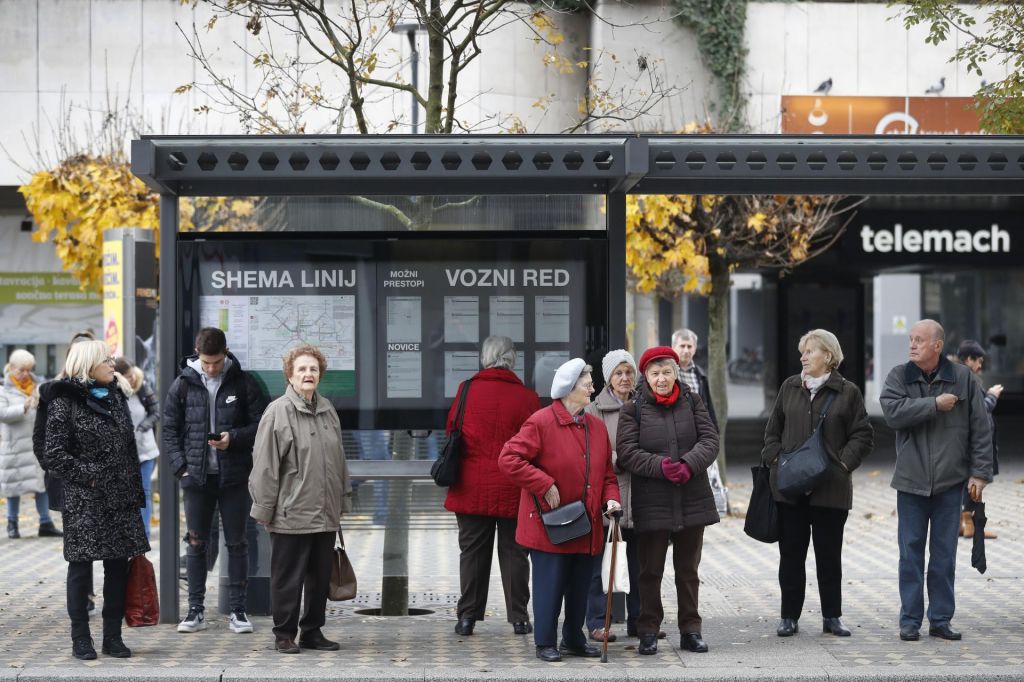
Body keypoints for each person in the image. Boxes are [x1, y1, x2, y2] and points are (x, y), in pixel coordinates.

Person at [499, 359, 621, 663]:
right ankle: (545, 642)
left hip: (588, 521)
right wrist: (543, 483)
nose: (593, 387)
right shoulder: (540, 422)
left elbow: (607, 474)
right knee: (549, 586)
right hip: (548, 525)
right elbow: (509, 459)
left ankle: (573, 639)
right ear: (569, 388)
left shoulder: (594, 425)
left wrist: (612, 499)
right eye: (587, 382)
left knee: (580, 586)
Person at [881, 319, 993, 643]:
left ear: (938, 346)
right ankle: (910, 621)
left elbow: (980, 429)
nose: (912, 344)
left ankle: (941, 619)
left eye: (919, 339)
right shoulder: (899, 376)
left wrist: (981, 473)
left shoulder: (962, 379)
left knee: (944, 556)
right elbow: (892, 412)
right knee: (910, 554)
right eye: (911, 339)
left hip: (950, 483)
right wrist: (933, 404)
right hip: (910, 482)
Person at [41, 340, 149, 660]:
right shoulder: (64, 400)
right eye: (106, 360)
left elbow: (130, 450)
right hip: (84, 499)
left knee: (117, 568)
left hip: (119, 497)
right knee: (80, 568)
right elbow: (54, 455)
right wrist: (89, 476)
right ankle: (81, 639)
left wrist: (133, 492)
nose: (113, 364)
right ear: (88, 364)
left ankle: (112, 638)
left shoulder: (116, 396)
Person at [761, 330, 873, 638]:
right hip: (790, 489)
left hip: (830, 490)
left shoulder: (848, 391)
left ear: (828, 356)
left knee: (829, 556)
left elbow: (863, 435)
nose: (803, 356)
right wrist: (776, 460)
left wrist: (842, 465)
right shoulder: (789, 387)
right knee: (791, 555)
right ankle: (788, 616)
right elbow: (772, 432)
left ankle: (832, 616)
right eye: (803, 351)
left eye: (810, 351)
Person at [162, 327, 267, 635]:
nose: (211, 368)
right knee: (196, 544)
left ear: (226, 353)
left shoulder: (244, 382)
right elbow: (169, 430)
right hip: (196, 477)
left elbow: (262, 424)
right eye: (206, 362)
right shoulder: (182, 384)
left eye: (216, 362)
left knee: (237, 542)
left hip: (234, 476)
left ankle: (238, 610)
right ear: (198, 354)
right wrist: (181, 468)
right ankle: (195, 610)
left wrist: (232, 439)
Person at [616, 346, 720, 656]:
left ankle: (691, 630)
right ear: (645, 376)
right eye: (655, 373)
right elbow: (627, 452)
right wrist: (661, 466)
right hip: (653, 499)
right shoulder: (633, 408)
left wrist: (689, 464)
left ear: (676, 373)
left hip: (692, 496)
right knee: (650, 571)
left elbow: (710, 439)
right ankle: (648, 629)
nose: (662, 379)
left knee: (688, 571)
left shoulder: (692, 399)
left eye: (667, 372)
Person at [249, 345, 352, 654]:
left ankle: (312, 631)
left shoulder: (328, 409)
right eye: (302, 369)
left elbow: (340, 460)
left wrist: (342, 502)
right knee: (287, 579)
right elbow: (265, 465)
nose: (309, 374)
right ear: (290, 375)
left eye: (314, 370)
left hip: (324, 512)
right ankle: (283, 634)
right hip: (290, 512)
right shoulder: (278, 411)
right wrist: (264, 508)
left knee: (320, 578)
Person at [444, 336, 539, 637]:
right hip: (514, 486)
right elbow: (536, 444)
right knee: (515, 553)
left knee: (472, 552)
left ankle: (467, 618)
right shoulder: (527, 397)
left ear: (484, 358)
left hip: (471, 486)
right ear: (512, 359)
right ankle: (519, 618)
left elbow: (451, 430)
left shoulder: (466, 390)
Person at [583, 349, 652, 642]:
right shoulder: (593, 410)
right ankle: (598, 622)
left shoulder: (645, 404)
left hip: (643, 494)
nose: (625, 378)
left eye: (628, 372)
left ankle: (641, 621)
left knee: (642, 563)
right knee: (602, 564)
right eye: (618, 373)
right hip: (609, 495)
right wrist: (623, 458)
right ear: (608, 377)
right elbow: (587, 453)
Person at [2, 349, 60, 538]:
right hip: (15, 448)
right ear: (11, 369)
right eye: (21, 370)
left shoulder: (38, 386)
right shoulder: (4, 390)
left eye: (29, 370)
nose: (26, 374)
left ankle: (45, 523)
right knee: (14, 486)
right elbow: (3, 414)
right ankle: (12, 523)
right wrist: (24, 406)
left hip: (36, 445)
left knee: (41, 484)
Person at [956, 340, 1000, 540]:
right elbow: (980, 410)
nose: (980, 365)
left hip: (968, 441)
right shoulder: (967, 380)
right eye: (978, 360)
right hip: (973, 442)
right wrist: (992, 396)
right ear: (968, 359)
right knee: (975, 480)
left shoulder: (961, 378)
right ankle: (970, 523)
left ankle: (963, 523)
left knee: (968, 480)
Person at [115, 358, 160, 541]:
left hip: (145, 451)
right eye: (127, 377)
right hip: (123, 453)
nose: (132, 379)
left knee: (144, 491)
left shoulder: (143, 387)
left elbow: (156, 412)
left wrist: (142, 428)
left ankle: (144, 534)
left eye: (132, 374)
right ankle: (126, 533)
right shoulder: (114, 392)